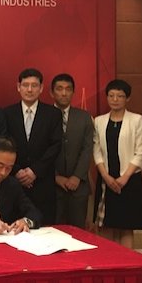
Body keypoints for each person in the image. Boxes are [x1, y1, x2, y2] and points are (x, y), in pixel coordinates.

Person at [4, 68, 62, 225]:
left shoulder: (53, 114)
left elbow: (56, 145)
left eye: (34, 85)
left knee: (45, 228)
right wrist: (17, 171)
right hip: (14, 183)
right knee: (14, 229)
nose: (29, 89)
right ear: (18, 87)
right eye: (25, 85)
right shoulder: (7, 113)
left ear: (41, 88)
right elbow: (4, 145)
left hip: (43, 182)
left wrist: (34, 171)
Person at [92, 79, 142, 248]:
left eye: (120, 96)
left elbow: (140, 152)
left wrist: (124, 177)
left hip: (129, 180)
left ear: (127, 98)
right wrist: (105, 176)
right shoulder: (99, 121)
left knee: (126, 227)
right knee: (105, 225)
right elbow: (96, 151)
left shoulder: (136, 120)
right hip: (106, 179)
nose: (115, 99)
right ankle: (109, 261)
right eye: (111, 95)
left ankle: (127, 262)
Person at [51, 74, 93, 228]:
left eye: (68, 89)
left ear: (73, 92)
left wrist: (76, 176)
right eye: (59, 89)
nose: (64, 93)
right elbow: (40, 150)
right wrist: (55, 177)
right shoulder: (44, 115)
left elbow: (87, 148)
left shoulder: (84, 117)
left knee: (78, 231)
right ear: (52, 92)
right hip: (52, 186)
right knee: (54, 231)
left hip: (78, 186)